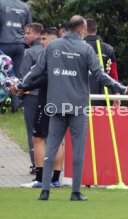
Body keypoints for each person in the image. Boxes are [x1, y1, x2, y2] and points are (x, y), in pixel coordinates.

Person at [21, 15, 128, 201]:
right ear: (81, 30)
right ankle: (75, 192)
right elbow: (100, 75)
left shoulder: (52, 46)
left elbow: (36, 71)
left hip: (56, 105)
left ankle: (45, 191)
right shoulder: (85, 49)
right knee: (78, 150)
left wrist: (21, 85)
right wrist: (123, 89)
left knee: (51, 148)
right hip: (78, 107)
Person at [20, 27, 64, 188]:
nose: (41, 42)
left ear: (53, 40)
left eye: (44, 39)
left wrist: (22, 86)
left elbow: (44, 78)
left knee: (38, 138)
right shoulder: (66, 55)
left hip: (46, 100)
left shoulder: (49, 55)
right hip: (61, 101)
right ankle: (56, 179)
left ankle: (39, 179)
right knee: (57, 139)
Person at [20, 22, 44, 175]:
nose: (25, 36)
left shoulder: (29, 53)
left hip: (32, 95)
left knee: (33, 132)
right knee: (48, 133)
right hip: (47, 95)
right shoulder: (50, 50)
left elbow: (24, 76)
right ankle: (52, 164)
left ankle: (36, 164)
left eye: (28, 33)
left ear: (36, 34)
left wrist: (21, 90)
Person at [0, 0, 32, 112]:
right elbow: (29, 26)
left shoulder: (1, 3)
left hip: (3, 43)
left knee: (2, 74)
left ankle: (2, 103)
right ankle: (15, 104)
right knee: (15, 75)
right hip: (19, 45)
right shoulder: (25, 6)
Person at [84, 19, 120, 107]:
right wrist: (117, 93)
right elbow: (113, 74)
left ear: (83, 30)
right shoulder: (108, 49)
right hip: (105, 95)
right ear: (96, 30)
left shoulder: (77, 47)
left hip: (82, 94)